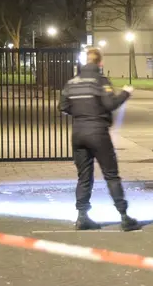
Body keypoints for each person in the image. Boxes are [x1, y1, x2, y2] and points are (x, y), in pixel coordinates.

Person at [59, 47, 141, 231]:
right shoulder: (100, 81)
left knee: (84, 176)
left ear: (84, 61)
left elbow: (63, 106)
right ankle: (124, 216)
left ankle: (82, 216)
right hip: (98, 132)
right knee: (111, 174)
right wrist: (126, 93)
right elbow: (110, 104)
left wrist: (80, 114)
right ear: (100, 63)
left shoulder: (71, 82)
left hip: (78, 132)